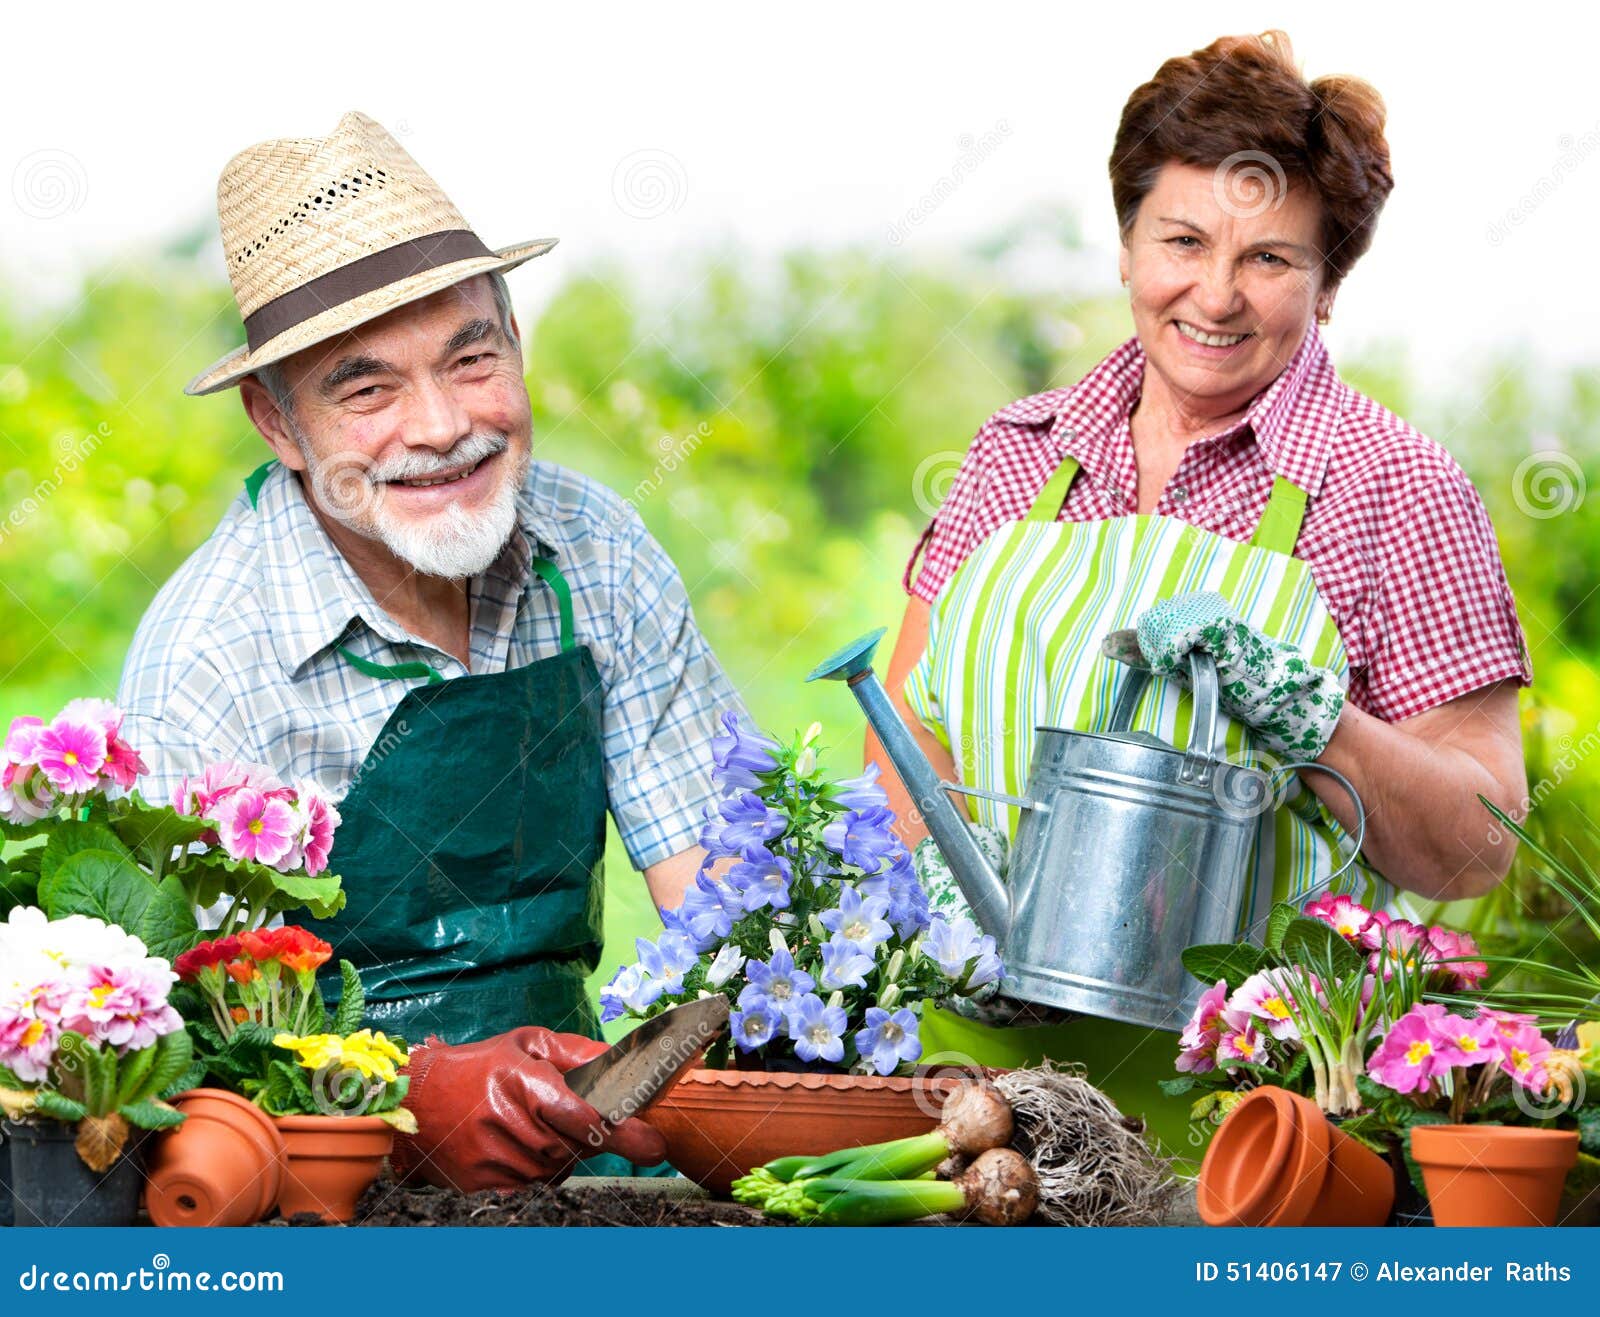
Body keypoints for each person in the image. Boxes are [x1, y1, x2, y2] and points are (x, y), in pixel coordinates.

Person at [867, 32, 1531, 1159]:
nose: (1214, 296)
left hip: (1244, 1114)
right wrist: (954, 907)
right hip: (962, 1101)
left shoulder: (1395, 491)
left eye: (1270, 258)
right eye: (1182, 241)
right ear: (1126, 246)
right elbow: (904, 728)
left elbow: (1476, 845)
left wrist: (1308, 713)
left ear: (1328, 286)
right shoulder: (1016, 455)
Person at [118, 111, 745, 1188]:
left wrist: (725, 1076)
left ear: (515, 344)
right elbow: (182, 1062)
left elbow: (722, 889)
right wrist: (410, 1097)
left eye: (471, 358)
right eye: (367, 390)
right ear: (276, 422)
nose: (442, 426)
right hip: (318, 1181)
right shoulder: (211, 655)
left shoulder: (595, 552)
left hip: (578, 1145)